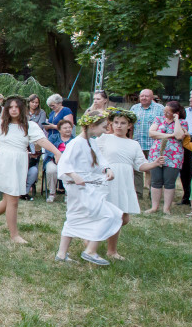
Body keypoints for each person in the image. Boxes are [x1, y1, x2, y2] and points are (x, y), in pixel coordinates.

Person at [0, 96, 61, 244]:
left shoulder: (30, 125)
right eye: (11, 107)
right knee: (13, 200)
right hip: (4, 161)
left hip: (19, 161)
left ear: (22, 108)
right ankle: (14, 235)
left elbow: (41, 141)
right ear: (7, 109)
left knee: (8, 199)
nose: (14, 109)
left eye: (17, 107)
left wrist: (57, 152)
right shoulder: (1, 124)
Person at [53, 111, 124, 266]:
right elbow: (64, 163)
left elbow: (99, 159)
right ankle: (91, 250)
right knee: (110, 215)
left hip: (88, 185)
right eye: (104, 127)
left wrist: (107, 169)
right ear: (92, 125)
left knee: (74, 217)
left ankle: (61, 254)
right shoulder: (76, 143)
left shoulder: (91, 142)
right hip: (80, 187)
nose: (106, 130)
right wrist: (74, 175)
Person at [98, 109, 162, 260]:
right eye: (116, 123)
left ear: (129, 126)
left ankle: (110, 249)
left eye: (123, 123)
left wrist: (154, 163)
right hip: (108, 179)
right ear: (111, 124)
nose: (119, 126)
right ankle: (105, 248)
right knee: (110, 215)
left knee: (122, 218)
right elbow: (95, 157)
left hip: (124, 181)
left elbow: (140, 165)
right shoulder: (104, 139)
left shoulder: (133, 144)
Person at [146, 101, 187, 215]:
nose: (165, 113)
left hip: (174, 156)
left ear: (176, 113)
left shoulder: (183, 122)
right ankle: (154, 207)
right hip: (156, 154)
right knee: (156, 181)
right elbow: (151, 133)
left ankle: (166, 208)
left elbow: (179, 135)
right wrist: (169, 135)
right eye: (164, 111)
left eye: (168, 112)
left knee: (169, 182)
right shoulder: (158, 119)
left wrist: (177, 120)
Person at [129, 88, 164, 199]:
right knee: (137, 169)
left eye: (146, 96)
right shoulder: (134, 108)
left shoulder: (160, 109)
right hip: (137, 143)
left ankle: (152, 194)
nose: (143, 98)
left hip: (153, 144)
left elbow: (163, 126)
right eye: (142, 96)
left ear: (152, 97)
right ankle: (138, 193)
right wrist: (130, 139)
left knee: (154, 169)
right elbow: (130, 126)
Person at [43, 120, 75, 202]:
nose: (68, 129)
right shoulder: (53, 138)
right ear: (59, 130)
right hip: (53, 160)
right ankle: (52, 193)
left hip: (69, 162)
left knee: (69, 171)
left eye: (69, 127)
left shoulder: (75, 140)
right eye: (65, 128)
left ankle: (69, 194)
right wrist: (55, 155)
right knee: (51, 170)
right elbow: (48, 149)